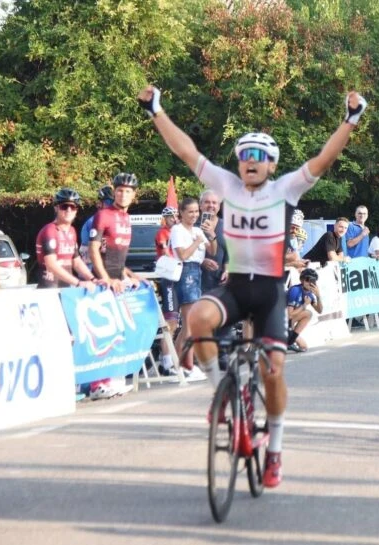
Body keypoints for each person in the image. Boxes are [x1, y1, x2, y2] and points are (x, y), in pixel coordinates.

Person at [139, 83, 366, 488]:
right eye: (244, 155)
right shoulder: (226, 186)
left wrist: (350, 119)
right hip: (235, 285)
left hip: (268, 294)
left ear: (271, 164)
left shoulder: (286, 189)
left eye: (259, 156)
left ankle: (274, 449)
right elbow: (186, 151)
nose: (250, 161)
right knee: (199, 321)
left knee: (273, 370)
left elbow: (324, 158)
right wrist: (156, 110)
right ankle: (220, 394)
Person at [85, 173, 143, 400]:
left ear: (134, 195)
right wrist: (104, 277)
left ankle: (111, 379)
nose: (123, 194)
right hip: (102, 280)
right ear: (114, 192)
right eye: (120, 190)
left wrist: (131, 275)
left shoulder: (126, 219)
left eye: (128, 191)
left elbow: (118, 257)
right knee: (101, 333)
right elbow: (93, 249)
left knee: (117, 332)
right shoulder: (103, 215)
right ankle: (96, 384)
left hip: (118, 280)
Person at [170, 196, 215, 382]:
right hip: (185, 273)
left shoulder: (198, 229)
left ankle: (178, 365)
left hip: (197, 271)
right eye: (190, 212)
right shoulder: (177, 230)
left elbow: (211, 250)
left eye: (197, 212)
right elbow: (182, 254)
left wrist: (210, 234)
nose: (194, 215)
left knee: (188, 325)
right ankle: (186, 366)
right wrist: (197, 242)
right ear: (181, 212)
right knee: (190, 323)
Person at [35, 189, 98, 290]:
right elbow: (51, 265)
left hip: (67, 287)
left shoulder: (72, 231)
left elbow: (76, 261)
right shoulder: (49, 231)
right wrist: (78, 283)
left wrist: (93, 279)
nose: (68, 210)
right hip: (50, 288)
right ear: (56, 208)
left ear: (76, 210)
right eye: (64, 206)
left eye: (73, 207)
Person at [154, 206, 181, 377]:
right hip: (168, 277)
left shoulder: (177, 232)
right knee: (170, 322)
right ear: (165, 219)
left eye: (175, 216)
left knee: (176, 323)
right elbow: (166, 252)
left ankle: (170, 359)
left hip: (176, 276)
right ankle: (166, 362)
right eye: (171, 217)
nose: (174, 219)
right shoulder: (163, 233)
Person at [286, 267, 322, 353]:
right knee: (306, 312)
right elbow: (289, 315)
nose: (310, 283)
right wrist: (305, 305)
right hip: (281, 321)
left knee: (304, 347)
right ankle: (286, 340)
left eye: (312, 281)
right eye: (307, 280)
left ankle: (289, 341)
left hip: (289, 323)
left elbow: (319, 310)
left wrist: (318, 296)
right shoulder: (295, 290)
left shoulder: (310, 294)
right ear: (302, 280)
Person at [199, 190, 227, 292]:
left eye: (214, 202)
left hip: (220, 283)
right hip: (196, 283)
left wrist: (228, 271)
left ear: (219, 206)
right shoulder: (192, 225)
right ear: (200, 205)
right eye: (207, 202)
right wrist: (201, 262)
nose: (211, 205)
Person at [79, 185, 113, 262]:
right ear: (100, 204)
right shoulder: (96, 221)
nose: (110, 206)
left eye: (112, 203)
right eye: (107, 203)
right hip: (91, 263)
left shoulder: (106, 220)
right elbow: (104, 250)